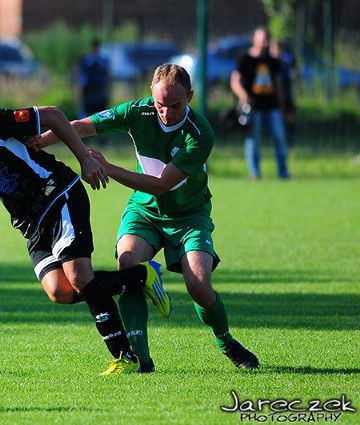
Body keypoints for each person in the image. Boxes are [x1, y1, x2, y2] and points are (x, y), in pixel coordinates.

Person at [0, 89, 171, 375]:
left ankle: (124, 357)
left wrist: (85, 160)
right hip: (29, 222)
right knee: (60, 291)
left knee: (79, 276)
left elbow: (53, 114)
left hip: (59, 193)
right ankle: (141, 276)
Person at [30, 63, 260, 370]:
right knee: (128, 266)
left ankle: (226, 340)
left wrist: (107, 167)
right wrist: (45, 139)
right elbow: (84, 125)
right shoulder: (138, 112)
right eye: (159, 104)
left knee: (200, 287)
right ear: (151, 95)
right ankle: (142, 358)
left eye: (175, 105)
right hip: (144, 211)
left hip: (189, 216)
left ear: (190, 97)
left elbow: (162, 185)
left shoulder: (200, 133)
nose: (166, 112)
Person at [230, 26, 290, 180]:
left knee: (280, 137)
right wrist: (243, 95)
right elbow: (235, 81)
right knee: (253, 140)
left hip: (272, 106)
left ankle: (283, 173)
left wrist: (283, 107)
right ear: (254, 40)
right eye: (262, 39)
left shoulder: (273, 61)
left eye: (267, 39)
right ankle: (255, 172)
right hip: (253, 107)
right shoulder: (245, 59)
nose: (265, 42)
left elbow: (278, 85)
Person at [270, 39, 298, 147]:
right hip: (273, 93)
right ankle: (280, 139)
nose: (276, 52)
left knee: (289, 115)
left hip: (286, 92)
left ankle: (290, 138)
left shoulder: (287, 60)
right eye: (274, 49)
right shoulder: (269, 61)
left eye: (278, 49)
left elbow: (295, 73)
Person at [78, 39, 110, 118]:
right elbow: (81, 78)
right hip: (88, 93)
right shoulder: (86, 61)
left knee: (101, 117)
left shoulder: (104, 61)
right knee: (88, 118)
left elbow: (107, 77)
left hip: (100, 93)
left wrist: (108, 92)